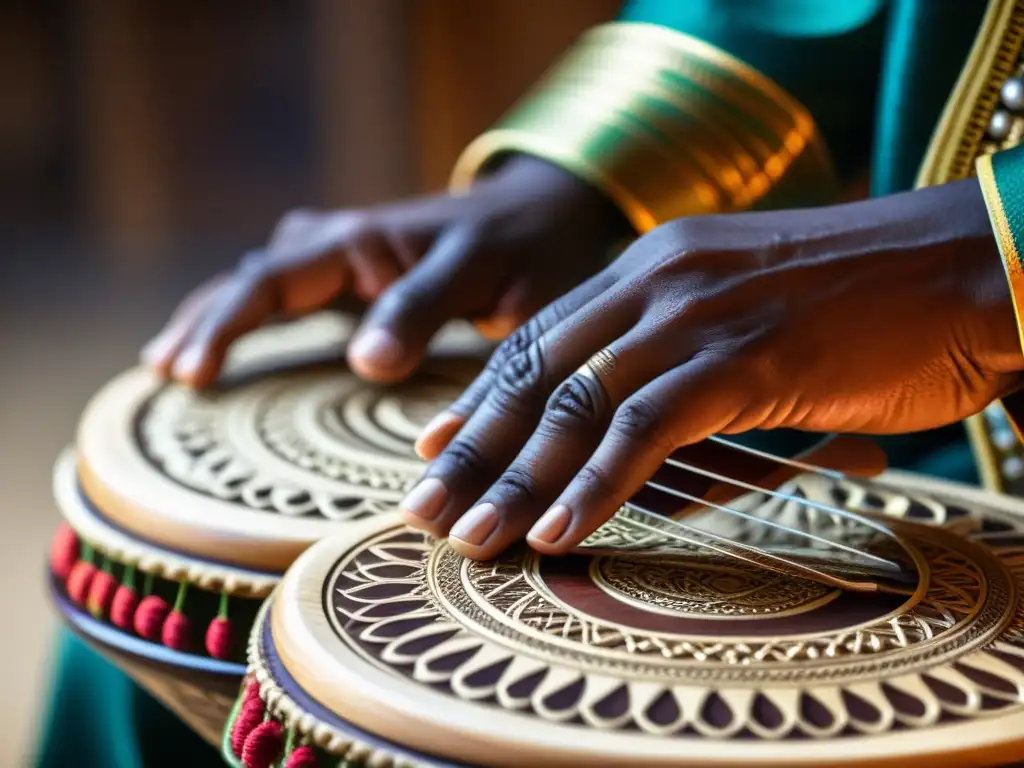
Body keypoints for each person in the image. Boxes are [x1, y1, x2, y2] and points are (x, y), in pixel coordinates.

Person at [36, 0, 1019, 764]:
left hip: (953, 403)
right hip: (884, 383)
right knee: (171, 652)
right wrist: (576, 184)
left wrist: (985, 263)